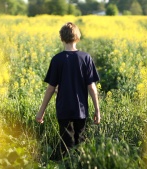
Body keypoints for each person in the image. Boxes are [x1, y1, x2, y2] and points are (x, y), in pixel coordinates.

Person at [35, 22, 100, 156]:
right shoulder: (86, 58)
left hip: (63, 109)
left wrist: (41, 112)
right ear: (78, 37)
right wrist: (97, 110)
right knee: (80, 146)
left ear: (61, 38)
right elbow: (92, 87)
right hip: (81, 110)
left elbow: (50, 89)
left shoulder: (57, 60)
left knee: (66, 147)